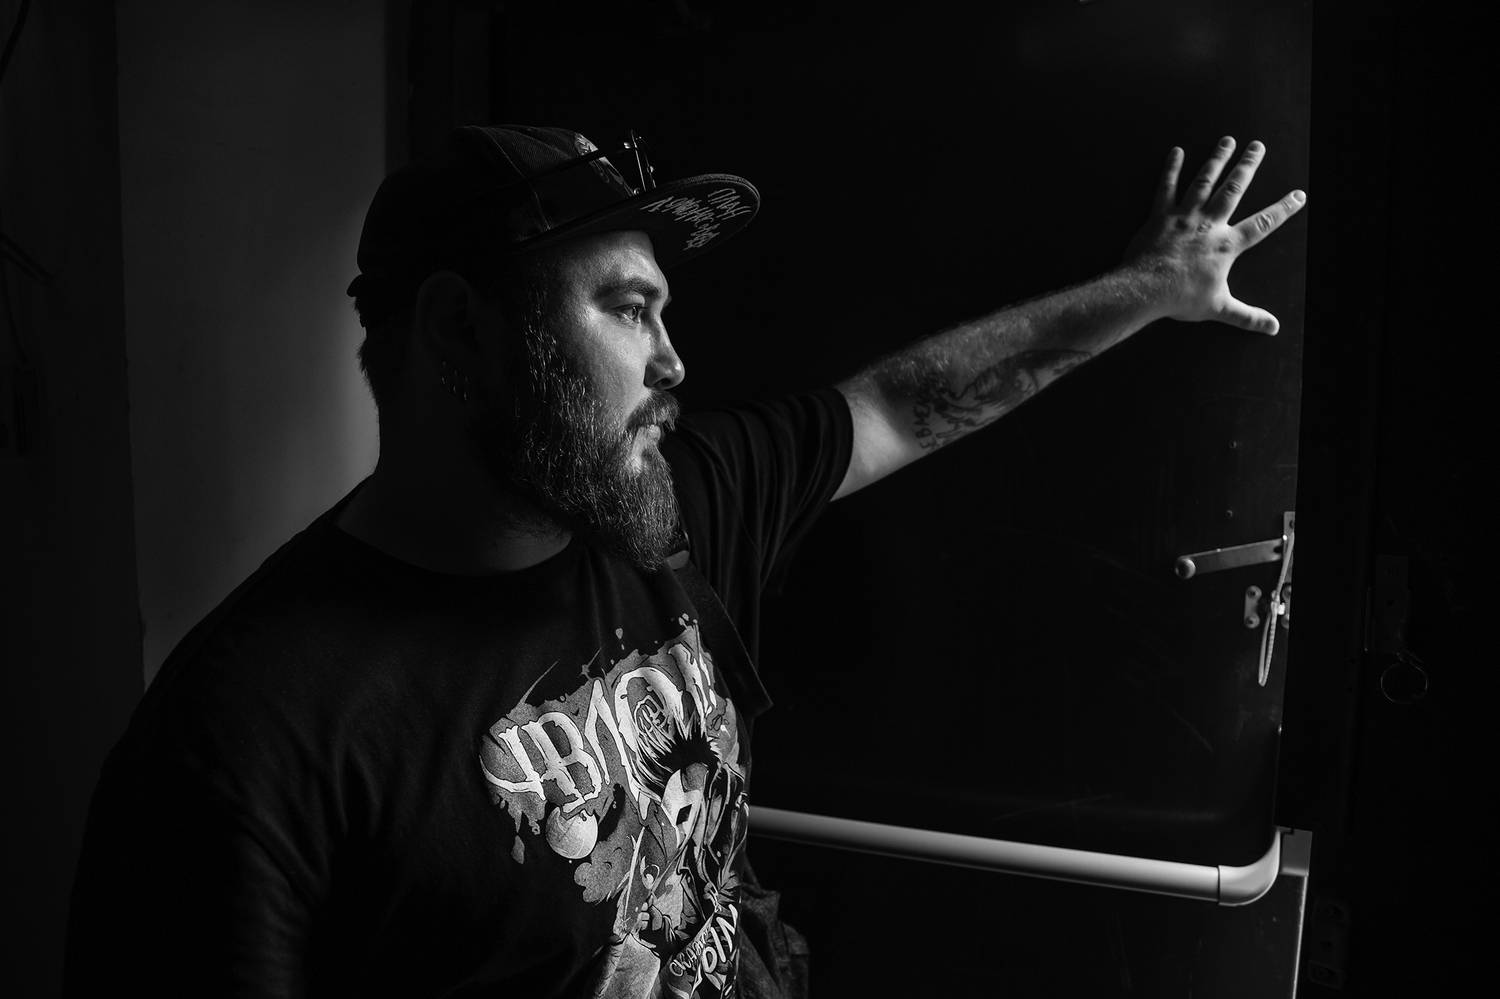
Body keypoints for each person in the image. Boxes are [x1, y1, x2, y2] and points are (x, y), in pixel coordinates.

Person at [63, 124, 1305, 997]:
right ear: (458, 331)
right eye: (625, 307)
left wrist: (1145, 291)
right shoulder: (246, 745)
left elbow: (905, 404)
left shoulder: (666, 504)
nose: (674, 362)